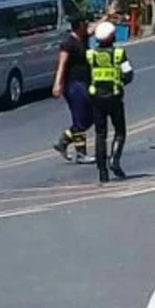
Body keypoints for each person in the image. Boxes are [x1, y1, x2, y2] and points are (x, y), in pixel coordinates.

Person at [87, 21, 134, 183]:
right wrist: (119, 82)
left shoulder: (90, 55)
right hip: (114, 97)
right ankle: (114, 160)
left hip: (96, 98)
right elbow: (128, 74)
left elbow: (87, 76)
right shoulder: (119, 53)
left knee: (100, 134)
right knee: (120, 131)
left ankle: (102, 172)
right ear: (112, 37)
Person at [51, 13, 94, 164]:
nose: (88, 24)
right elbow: (62, 65)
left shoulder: (83, 38)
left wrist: (108, 17)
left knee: (91, 116)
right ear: (79, 25)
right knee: (80, 118)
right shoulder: (68, 43)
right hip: (74, 85)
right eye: (85, 23)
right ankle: (81, 154)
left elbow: (94, 29)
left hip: (86, 83)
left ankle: (65, 140)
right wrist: (57, 84)